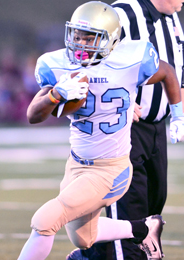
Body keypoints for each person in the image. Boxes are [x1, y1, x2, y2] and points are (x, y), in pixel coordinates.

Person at [17, 2, 184, 260]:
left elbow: (168, 72)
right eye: (77, 36)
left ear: (112, 39)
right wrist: (55, 95)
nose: (81, 44)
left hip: (110, 169)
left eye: (90, 38)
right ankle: (145, 228)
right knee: (83, 236)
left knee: (44, 221)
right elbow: (33, 115)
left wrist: (178, 115)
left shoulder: (129, 61)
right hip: (76, 164)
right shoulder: (59, 64)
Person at [67, 0, 184, 259]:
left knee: (154, 203)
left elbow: (177, 68)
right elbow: (84, 57)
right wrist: (119, 98)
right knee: (131, 206)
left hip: (157, 129)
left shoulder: (172, 18)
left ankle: (93, 256)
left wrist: (178, 111)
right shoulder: (122, 13)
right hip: (125, 129)